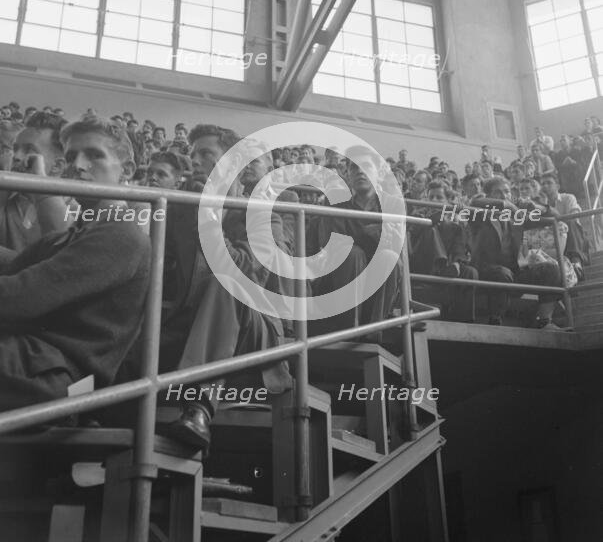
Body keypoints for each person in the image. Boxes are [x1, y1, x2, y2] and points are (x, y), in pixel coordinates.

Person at [156, 124, 292, 452]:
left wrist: (209, 216)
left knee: (230, 280)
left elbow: (245, 272)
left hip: (254, 328)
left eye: (206, 154)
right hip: (190, 321)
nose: (196, 162)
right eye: (193, 155)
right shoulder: (181, 209)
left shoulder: (263, 215)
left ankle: (199, 406)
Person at [0, 117, 151, 411]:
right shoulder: (72, 235)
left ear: (127, 171)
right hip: (29, 361)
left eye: (94, 155)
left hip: (58, 376)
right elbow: (13, 266)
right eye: (70, 156)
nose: (78, 165)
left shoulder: (122, 233)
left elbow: (21, 296)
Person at [309, 145, 404, 333]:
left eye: (365, 166)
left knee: (388, 257)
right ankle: (349, 329)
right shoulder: (336, 204)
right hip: (340, 286)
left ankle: (373, 331)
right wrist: (373, 233)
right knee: (352, 254)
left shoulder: (392, 204)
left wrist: (359, 236)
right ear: (348, 175)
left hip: (378, 284)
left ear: (377, 173)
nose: (359, 171)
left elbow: (395, 245)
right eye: (354, 167)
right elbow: (335, 247)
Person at [470, 177, 561, 329]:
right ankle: (495, 321)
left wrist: (535, 205)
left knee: (552, 269)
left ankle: (544, 321)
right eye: (497, 192)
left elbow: (554, 217)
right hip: (485, 273)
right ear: (489, 196)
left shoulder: (516, 218)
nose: (504, 195)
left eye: (506, 192)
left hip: (514, 274)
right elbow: (474, 203)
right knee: (502, 273)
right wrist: (507, 205)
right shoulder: (479, 215)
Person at [0, 112, 70, 254]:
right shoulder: (6, 198)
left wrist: (41, 182)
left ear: (57, 166)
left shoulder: (76, 209)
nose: (16, 157)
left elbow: (60, 255)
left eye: (29, 150)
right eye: (14, 149)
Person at [409, 181, 477, 322]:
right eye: (431, 197)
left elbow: (463, 243)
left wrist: (457, 218)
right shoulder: (419, 214)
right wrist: (440, 215)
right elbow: (413, 234)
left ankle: (464, 322)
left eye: (439, 198)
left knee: (470, 273)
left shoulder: (454, 218)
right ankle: (443, 266)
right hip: (422, 265)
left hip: (449, 267)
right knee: (430, 229)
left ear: (447, 200)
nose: (434, 201)